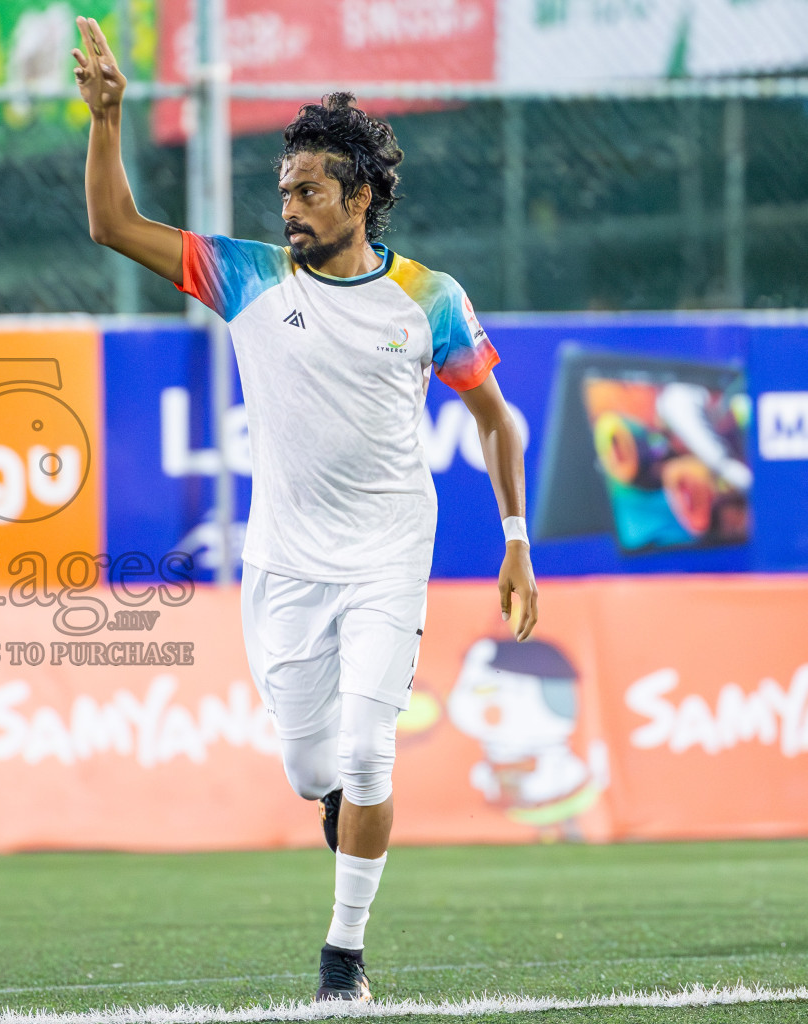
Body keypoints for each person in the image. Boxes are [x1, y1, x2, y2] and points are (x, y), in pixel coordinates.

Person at [71, 19, 538, 1003]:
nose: (287, 207)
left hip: (384, 556)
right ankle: (339, 805)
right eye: (281, 191)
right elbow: (113, 226)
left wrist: (513, 540)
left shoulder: (428, 300)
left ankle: (342, 956)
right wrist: (106, 118)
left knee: (372, 747)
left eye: (307, 191)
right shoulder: (246, 278)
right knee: (307, 765)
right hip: (281, 563)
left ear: (359, 195)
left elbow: (501, 423)